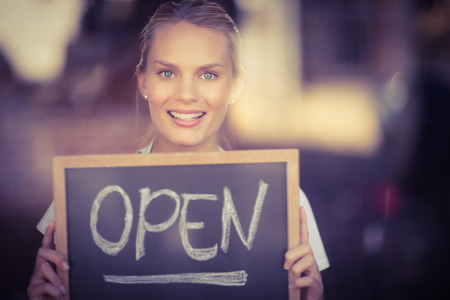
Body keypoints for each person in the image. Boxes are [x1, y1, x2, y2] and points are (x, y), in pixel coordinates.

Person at [27, 1, 329, 299]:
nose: (186, 94)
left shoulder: (285, 201)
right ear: (144, 82)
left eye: (208, 74)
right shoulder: (79, 199)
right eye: (167, 73)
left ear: (235, 86)